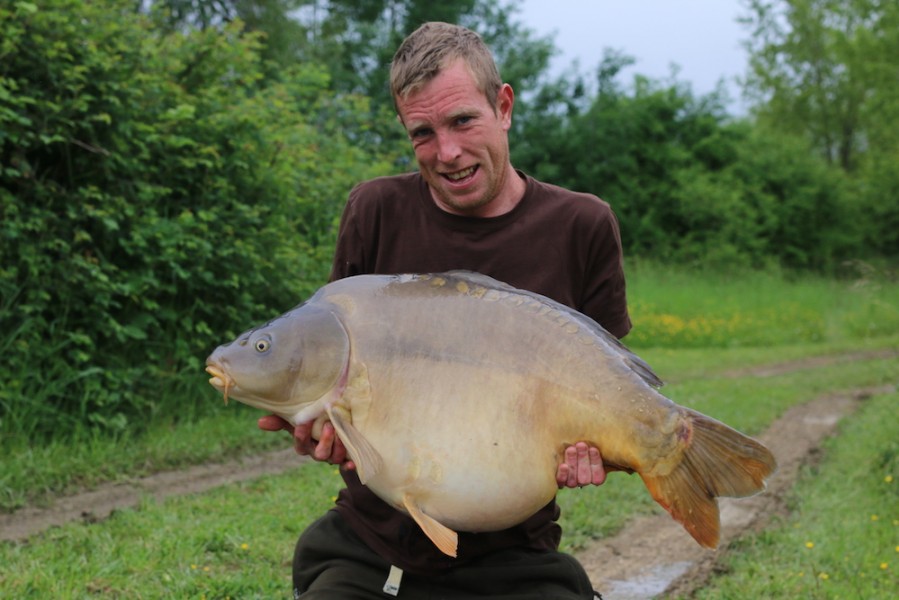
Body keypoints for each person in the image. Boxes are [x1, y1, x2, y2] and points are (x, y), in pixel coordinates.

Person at [258, 21, 631, 599]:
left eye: (462, 121)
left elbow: (605, 388)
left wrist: (594, 452)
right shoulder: (375, 210)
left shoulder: (580, 226)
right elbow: (338, 377)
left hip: (517, 554)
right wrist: (324, 433)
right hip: (372, 548)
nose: (447, 152)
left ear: (502, 106)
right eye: (422, 133)